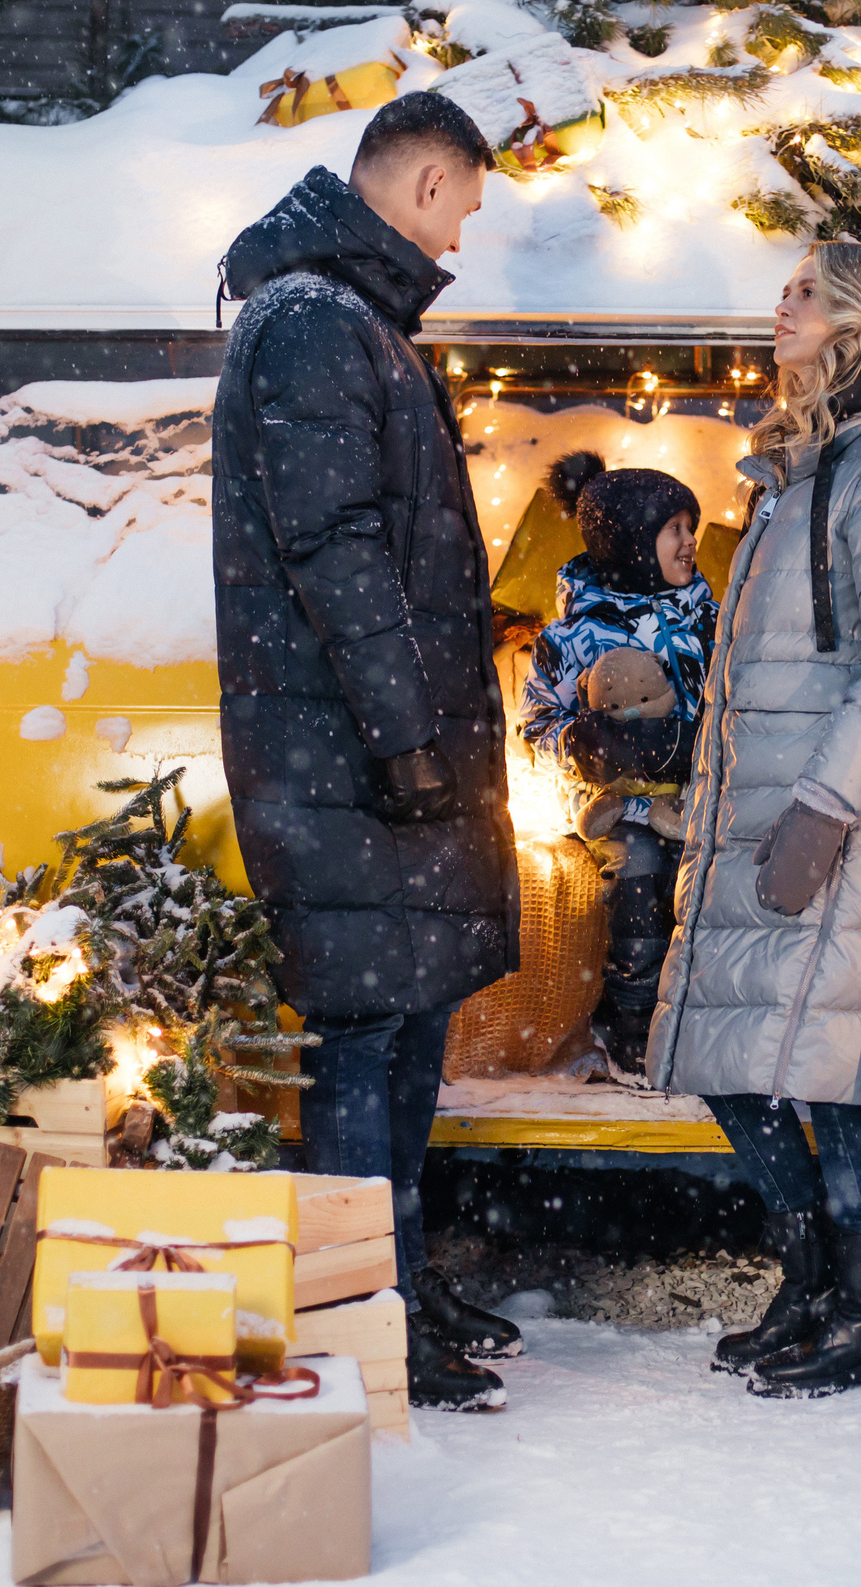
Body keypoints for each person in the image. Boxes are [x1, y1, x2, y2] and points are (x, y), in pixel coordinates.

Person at [210, 92, 524, 1413]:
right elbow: (331, 548)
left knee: (406, 1021)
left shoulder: (351, 322)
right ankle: (359, 1308)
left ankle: (392, 1274)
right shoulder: (314, 325)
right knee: (365, 1033)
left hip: (377, 751)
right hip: (345, 754)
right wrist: (404, 735)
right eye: (464, 206)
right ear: (427, 182)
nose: (463, 237)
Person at [648, 241, 861, 1398]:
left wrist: (826, 807)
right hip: (772, 800)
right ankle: (817, 1281)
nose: (777, 308)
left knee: (832, 1072)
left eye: (803, 292)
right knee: (732, 1056)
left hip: (844, 808)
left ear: (856, 319)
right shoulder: (807, 463)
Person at [517, 453, 718, 1082]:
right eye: (674, 529)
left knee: (704, 897)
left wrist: (695, 743)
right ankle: (631, 1024)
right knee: (640, 880)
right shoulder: (571, 636)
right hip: (620, 807)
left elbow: (734, 699)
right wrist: (579, 742)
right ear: (631, 540)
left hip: (695, 798)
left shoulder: (708, 619)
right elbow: (534, 725)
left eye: (692, 527)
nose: (690, 542)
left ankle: (697, 1028)